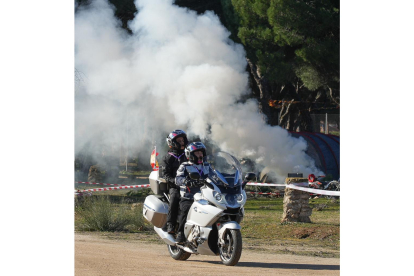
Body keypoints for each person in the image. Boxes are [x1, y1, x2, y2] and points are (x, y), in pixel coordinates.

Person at [175, 142, 210, 242]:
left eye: (201, 153)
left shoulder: (207, 166)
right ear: (190, 154)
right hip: (188, 197)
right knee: (186, 210)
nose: (200, 155)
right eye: (197, 153)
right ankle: (181, 234)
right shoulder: (184, 166)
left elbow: (215, 176)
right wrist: (186, 181)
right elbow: (177, 179)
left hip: (205, 197)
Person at [162, 129, 189, 234]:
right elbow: (166, 174)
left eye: (183, 140)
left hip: (190, 185)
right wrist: (175, 181)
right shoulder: (168, 157)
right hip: (175, 186)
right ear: (172, 142)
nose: (182, 143)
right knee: (174, 199)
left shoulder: (188, 155)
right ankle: (171, 224)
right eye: (179, 141)